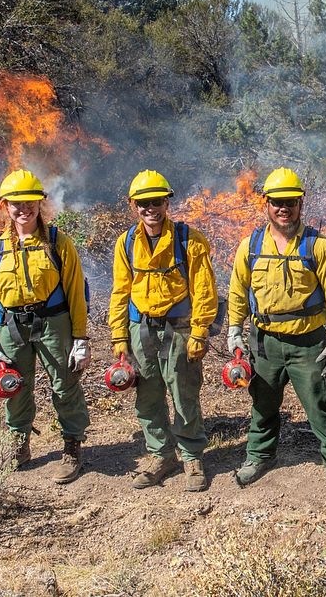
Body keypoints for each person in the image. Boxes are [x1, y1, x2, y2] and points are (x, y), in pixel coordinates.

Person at [226, 167, 326, 501]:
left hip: (309, 342)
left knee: (321, 405)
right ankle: (259, 455)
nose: (284, 208)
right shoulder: (250, 246)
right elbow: (238, 291)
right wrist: (234, 330)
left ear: (300, 204)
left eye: (290, 202)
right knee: (263, 403)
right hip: (265, 342)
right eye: (277, 202)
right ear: (266, 204)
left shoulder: (319, 247)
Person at [0, 169, 91, 484]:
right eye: (16, 203)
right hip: (11, 327)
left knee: (64, 384)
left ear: (41, 203)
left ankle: (72, 444)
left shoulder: (58, 242)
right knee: (14, 388)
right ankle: (19, 443)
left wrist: (80, 339)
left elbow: (76, 294)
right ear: (5, 207)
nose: (23, 209)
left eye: (30, 202)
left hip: (54, 323)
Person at [109, 170, 218, 491]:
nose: (150, 208)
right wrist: (118, 335)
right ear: (133, 205)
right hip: (141, 329)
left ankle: (191, 456)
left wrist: (200, 333)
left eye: (156, 201)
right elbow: (120, 291)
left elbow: (204, 291)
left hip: (180, 329)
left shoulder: (190, 240)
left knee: (184, 393)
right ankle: (161, 454)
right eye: (143, 203)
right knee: (148, 395)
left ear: (167, 202)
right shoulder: (126, 243)